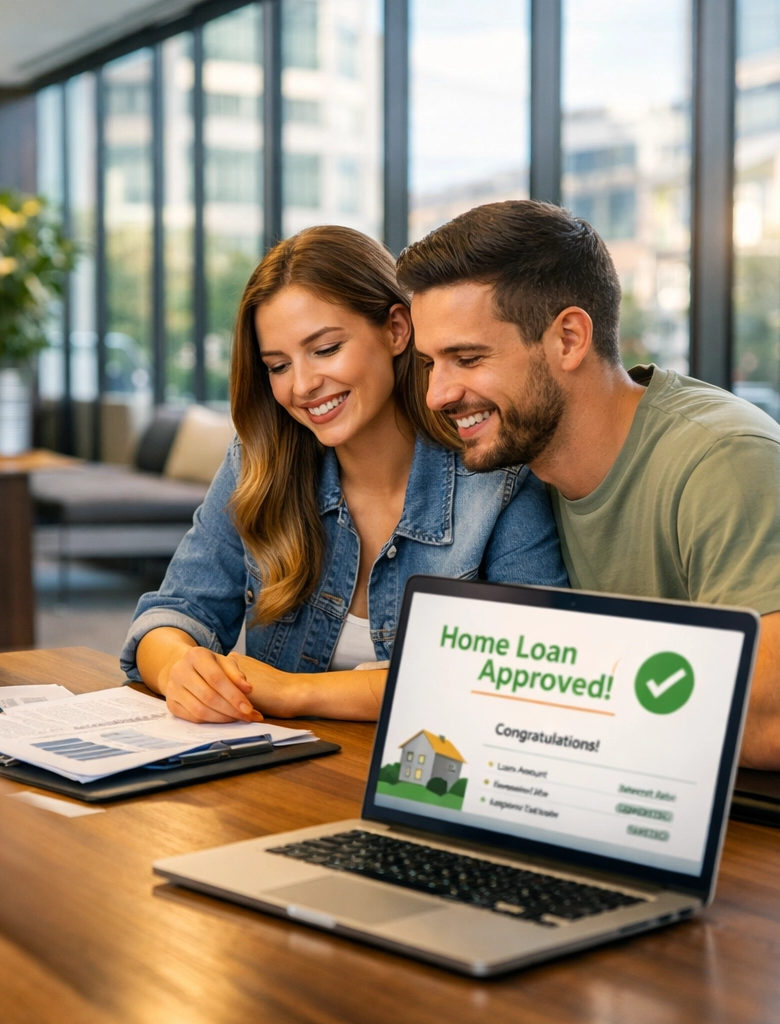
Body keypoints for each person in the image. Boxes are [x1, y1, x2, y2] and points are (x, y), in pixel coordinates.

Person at [399, 199, 780, 774]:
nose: (438, 394)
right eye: (429, 364)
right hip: (652, 807)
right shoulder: (519, 471)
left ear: (569, 338)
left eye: (467, 358)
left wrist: (531, 701)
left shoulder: (725, 458)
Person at [121, 226, 566, 723]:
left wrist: (296, 693)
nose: (304, 386)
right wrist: (180, 666)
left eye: (326, 349)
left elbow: (524, 672)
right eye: (278, 365)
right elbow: (171, 614)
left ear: (397, 329)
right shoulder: (259, 463)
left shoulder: (496, 475)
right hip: (283, 784)